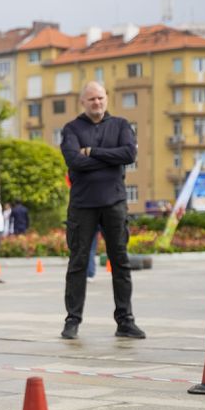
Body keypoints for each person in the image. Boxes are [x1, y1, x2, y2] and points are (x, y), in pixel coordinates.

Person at [59, 80, 145, 340]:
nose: (96, 103)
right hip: (82, 204)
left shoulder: (120, 125)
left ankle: (125, 320)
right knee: (77, 262)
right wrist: (108, 158)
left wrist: (93, 152)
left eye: (100, 98)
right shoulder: (71, 128)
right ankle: (72, 320)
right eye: (91, 99)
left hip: (114, 202)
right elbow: (73, 160)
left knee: (120, 262)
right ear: (82, 102)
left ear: (107, 98)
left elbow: (129, 154)